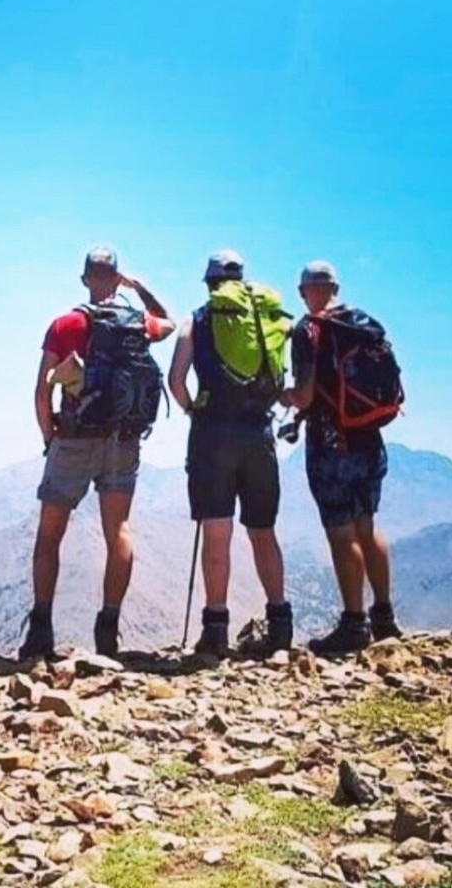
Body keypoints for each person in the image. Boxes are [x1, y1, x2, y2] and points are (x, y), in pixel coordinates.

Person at [19, 247, 175, 660]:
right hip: (122, 441)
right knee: (118, 531)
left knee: (49, 535)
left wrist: (49, 436)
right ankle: (108, 627)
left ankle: (41, 629)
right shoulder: (138, 323)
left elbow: (42, 391)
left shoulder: (66, 323)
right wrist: (139, 288)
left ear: (86, 278)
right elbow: (171, 323)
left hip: (73, 438)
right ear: (117, 277)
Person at [168, 250, 293, 656]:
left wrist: (193, 411)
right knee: (262, 531)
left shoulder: (197, 321)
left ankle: (216, 629)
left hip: (212, 436)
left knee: (217, 533)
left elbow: (176, 380)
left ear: (209, 283)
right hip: (259, 433)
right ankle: (280, 624)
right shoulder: (266, 320)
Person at [283, 260, 402, 655]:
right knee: (367, 526)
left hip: (331, 442)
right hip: (370, 439)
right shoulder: (363, 323)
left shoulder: (308, 329)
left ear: (305, 291)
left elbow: (304, 395)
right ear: (336, 286)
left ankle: (354, 624)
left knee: (340, 533)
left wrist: (280, 395)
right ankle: (384, 617)